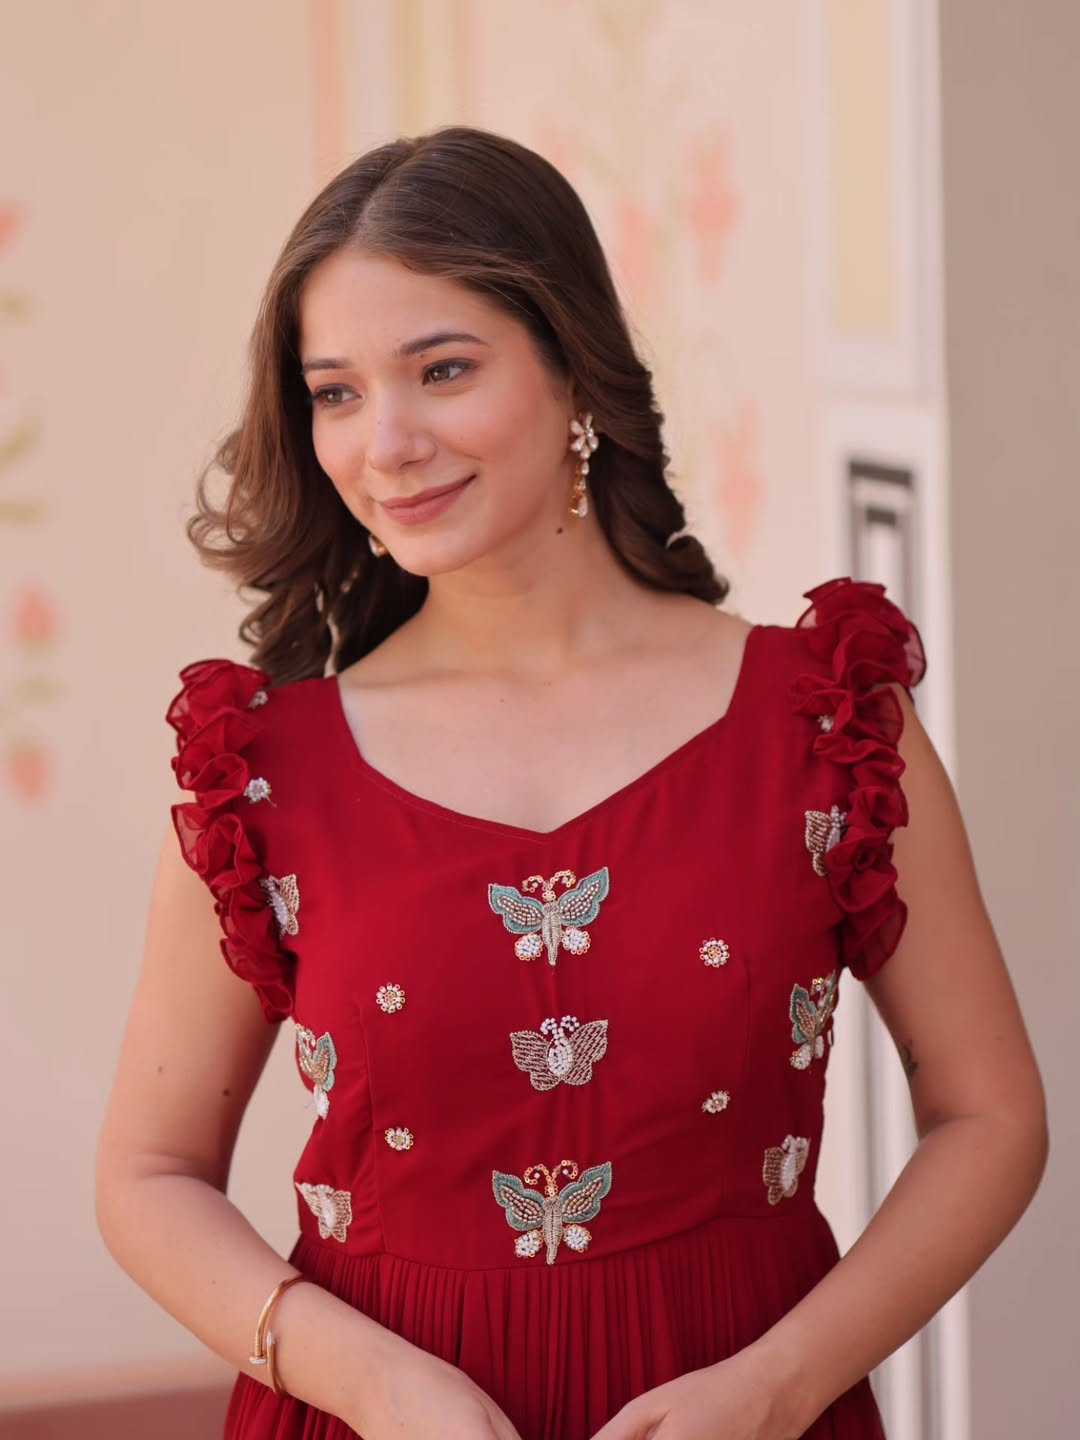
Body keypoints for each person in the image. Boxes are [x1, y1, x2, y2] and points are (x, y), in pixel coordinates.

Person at [95, 126, 1047, 1440]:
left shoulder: (827, 722)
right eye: (337, 393)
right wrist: (375, 1383)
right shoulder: (263, 773)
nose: (389, 442)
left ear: (572, 365)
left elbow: (989, 1114)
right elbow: (149, 1175)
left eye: (442, 369)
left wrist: (779, 1386)